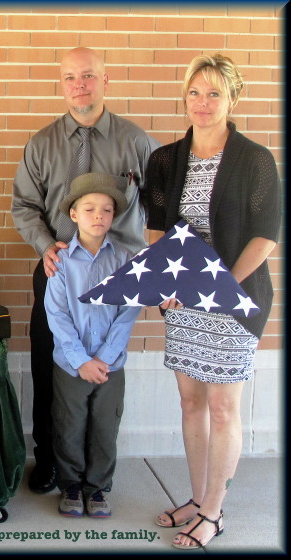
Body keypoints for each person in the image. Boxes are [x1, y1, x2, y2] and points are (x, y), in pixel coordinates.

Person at [10, 46, 160, 493]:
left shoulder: (137, 143)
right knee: (50, 365)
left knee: (105, 372)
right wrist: (43, 245)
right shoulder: (42, 144)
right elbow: (23, 206)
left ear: (106, 81)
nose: (80, 85)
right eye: (71, 77)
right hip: (60, 271)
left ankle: (96, 471)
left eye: (89, 76)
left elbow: (163, 208)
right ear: (62, 85)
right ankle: (51, 461)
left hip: (118, 277)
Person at [146, 54, 279, 550]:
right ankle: (197, 498)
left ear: (233, 99)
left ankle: (213, 514)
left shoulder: (255, 160)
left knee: (223, 409)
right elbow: (157, 228)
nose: (203, 103)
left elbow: (266, 236)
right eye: (195, 92)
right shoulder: (165, 159)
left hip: (234, 296)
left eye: (214, 93)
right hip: (182, 299)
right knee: (190, 401)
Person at [45, 172, 142, 519]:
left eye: (106, 209)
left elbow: (128, 313)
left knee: (105, 425)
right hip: (71, 364)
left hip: (110, 365)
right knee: (69, 424)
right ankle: (70, 484)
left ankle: (98, 487)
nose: (98, 215)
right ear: (74, 215)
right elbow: (56, 314)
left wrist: (103, 357)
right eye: (89, 209)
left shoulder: (125, 261)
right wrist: (81, 359)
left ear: (113, 216)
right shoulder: (60, 263)